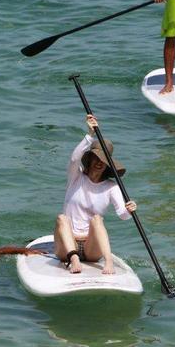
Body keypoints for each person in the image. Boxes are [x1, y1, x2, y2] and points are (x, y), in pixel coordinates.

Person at [55, 115, 137, 275]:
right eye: (96, 158)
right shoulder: (76, 177)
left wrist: (130, 210)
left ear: (108, 165)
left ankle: (108, 262)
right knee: (61, 218)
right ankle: (74, 259)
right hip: (67, 246)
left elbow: (123, 214)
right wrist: (89, 135)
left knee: (97, 219)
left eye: (104, 160)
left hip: (91, 248)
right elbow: (74, 158)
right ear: (90, 159)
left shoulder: (112, 187)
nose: (100, 162)